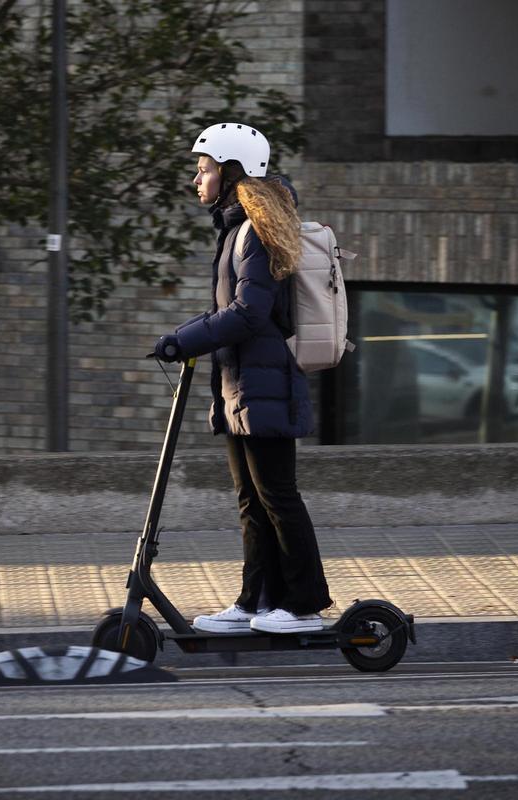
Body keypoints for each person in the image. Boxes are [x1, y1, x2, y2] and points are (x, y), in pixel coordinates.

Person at [152, 122, 332, 634]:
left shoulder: (255, 232)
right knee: (252, 501)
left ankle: (302, 605)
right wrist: (187, 338)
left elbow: (250, 314)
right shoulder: (238, 229)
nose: (196, 178)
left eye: (204, 169)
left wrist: (182, 339)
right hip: (241, 384)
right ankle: (255, 600)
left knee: (277, 496)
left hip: (265, 383)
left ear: (231, 172)